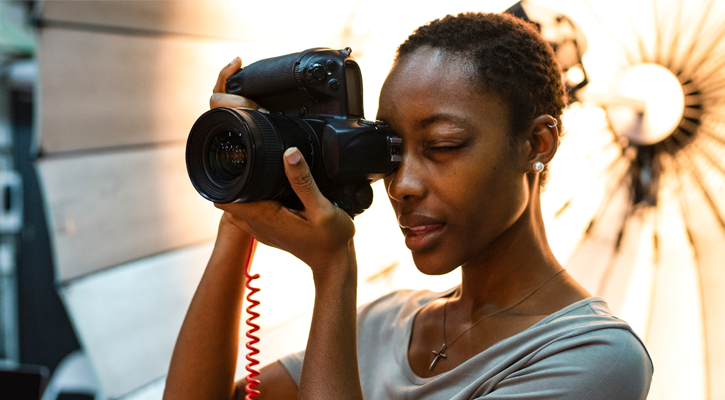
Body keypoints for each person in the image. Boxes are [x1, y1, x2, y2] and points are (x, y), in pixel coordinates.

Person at [165, 12, 652, 399]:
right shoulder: (383, 324)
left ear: (537, 143)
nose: (402, 186)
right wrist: (242, 203)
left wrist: (334, 271)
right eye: (391, 151)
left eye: (442, 145)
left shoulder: (594, 356)